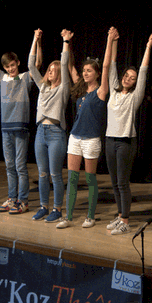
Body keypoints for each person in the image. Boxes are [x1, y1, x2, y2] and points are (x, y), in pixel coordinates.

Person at [57, 27, 115, 229]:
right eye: (84, 71)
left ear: (97, 73)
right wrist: (67, 42)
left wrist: (109, 40)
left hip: (91, 140)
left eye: (89, 71)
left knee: (90, 179)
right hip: (75, 137)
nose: (85, 73)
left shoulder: (101, 91)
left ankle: (90, 216)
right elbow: (69, 64)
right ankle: (68, 217)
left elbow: (106, 66)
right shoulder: (80, 88)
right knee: (72, 179)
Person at [105, 32, 152, 236]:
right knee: (114, 182)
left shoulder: (135, 97)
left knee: (123, 183)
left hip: (125, 142)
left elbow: (143, 71)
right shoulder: (114, 91)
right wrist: (114, 41)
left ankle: (125, 221)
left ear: (135, 83)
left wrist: (148, 47)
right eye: (127, 76)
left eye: (132, 79)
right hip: (110, 140)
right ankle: (120, 215)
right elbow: (112, 65)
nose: (128, 79)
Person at [0, 31, 35, 215]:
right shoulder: (3, 78)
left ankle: (23, 201)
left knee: (20, 166)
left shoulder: (25, 78)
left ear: (18, 63)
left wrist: (36, 40)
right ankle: (12, 198)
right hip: (6, 128)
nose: (11, 68)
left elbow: (35, 64)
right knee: (9, 166)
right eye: (7, 66)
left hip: (20, 128)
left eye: (13, 65)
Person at [29, 28, 74, 223]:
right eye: (49, 70)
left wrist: (65, 42)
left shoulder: (63, 89)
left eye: (54, 71)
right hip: (41, 132)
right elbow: (31, 65)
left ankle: (57, 209)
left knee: (55, 174)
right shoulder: (43, 87)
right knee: (42, 174)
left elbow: (64, 63)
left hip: (56, 133)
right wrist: (35, 39)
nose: (50, 72)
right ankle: (43, 207)